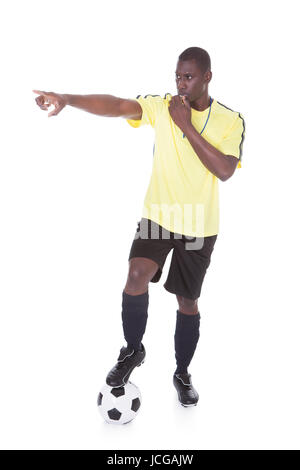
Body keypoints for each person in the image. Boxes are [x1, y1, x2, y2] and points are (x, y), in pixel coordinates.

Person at [33, 46, 245, 408]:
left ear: (207, 77)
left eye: (189, 76)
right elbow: (117, 106)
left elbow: (224, 170)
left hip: (198, 223)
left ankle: (181, 372)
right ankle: (132, 350)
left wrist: (185, 126)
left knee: (187, 301)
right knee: (135, 275)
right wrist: (66, 98)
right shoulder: (163, 106)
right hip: (158, 215)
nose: (181, 83)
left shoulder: (231, 120)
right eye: (177, 75)